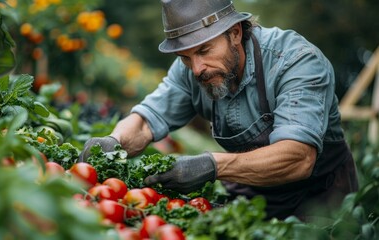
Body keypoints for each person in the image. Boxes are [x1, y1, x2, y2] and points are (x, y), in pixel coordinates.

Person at [79, 0, 358, 220]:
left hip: (321, 203)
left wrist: (211, 165)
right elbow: (145, 120)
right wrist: (113, 143)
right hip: (251, 200)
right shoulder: (191, 70)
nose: (197, 69)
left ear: (235, 33)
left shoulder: (295, 62)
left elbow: (298, 158)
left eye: (203, 50)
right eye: (185, 57)